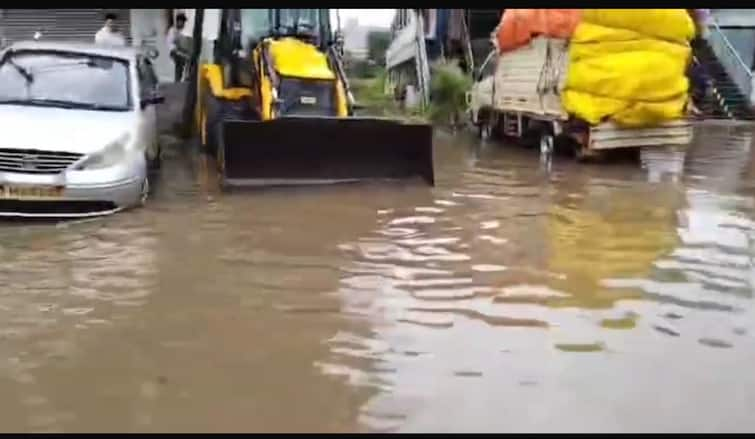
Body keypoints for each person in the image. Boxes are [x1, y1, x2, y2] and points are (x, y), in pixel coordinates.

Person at [166, 13, 189, 82]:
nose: (183, 24)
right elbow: (171, 44)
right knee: (179, 65)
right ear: (178, 21)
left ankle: (181, 79)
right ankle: (177, 81)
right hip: (175, 52)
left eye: (184, 23)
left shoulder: (180, 32)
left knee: (186, 62)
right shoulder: (173, 31)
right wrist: (180, 51)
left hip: (179, 51)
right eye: (182, 22)